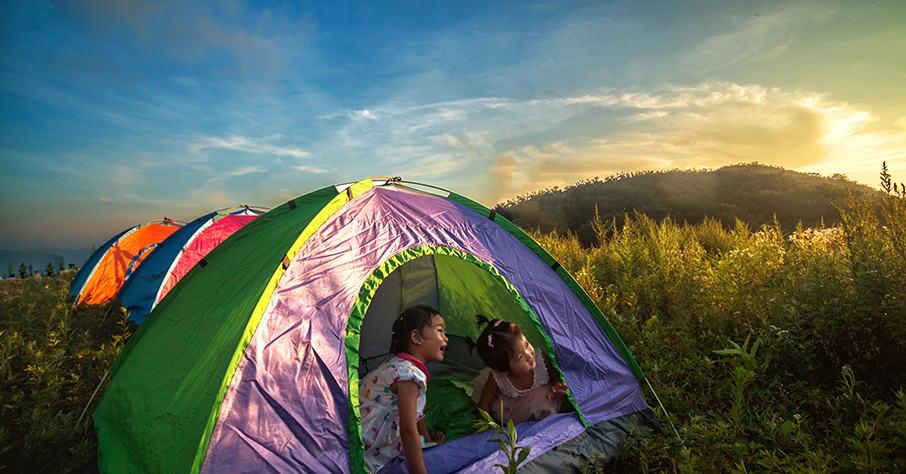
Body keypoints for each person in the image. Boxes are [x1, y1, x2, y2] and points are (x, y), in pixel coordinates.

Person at [359, 305, 448, 474]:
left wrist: (429, 443)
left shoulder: (400, 365)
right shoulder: (408, 376)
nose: (446, 338)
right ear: (416, 337)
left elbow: (416, 415)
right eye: (440, 331)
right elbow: (408, 430)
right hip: (367, 445)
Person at [470, 315, 569, 425]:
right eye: (520, 357)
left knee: (542, 405)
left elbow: (555, 376)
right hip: (514, 412)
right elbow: (485, 404)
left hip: (544, 401)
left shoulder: (542, 360)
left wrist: (556, 389)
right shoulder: (497, 378)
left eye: (526, 344)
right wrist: (481, 428)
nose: (529, 354)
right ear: (504, 371)